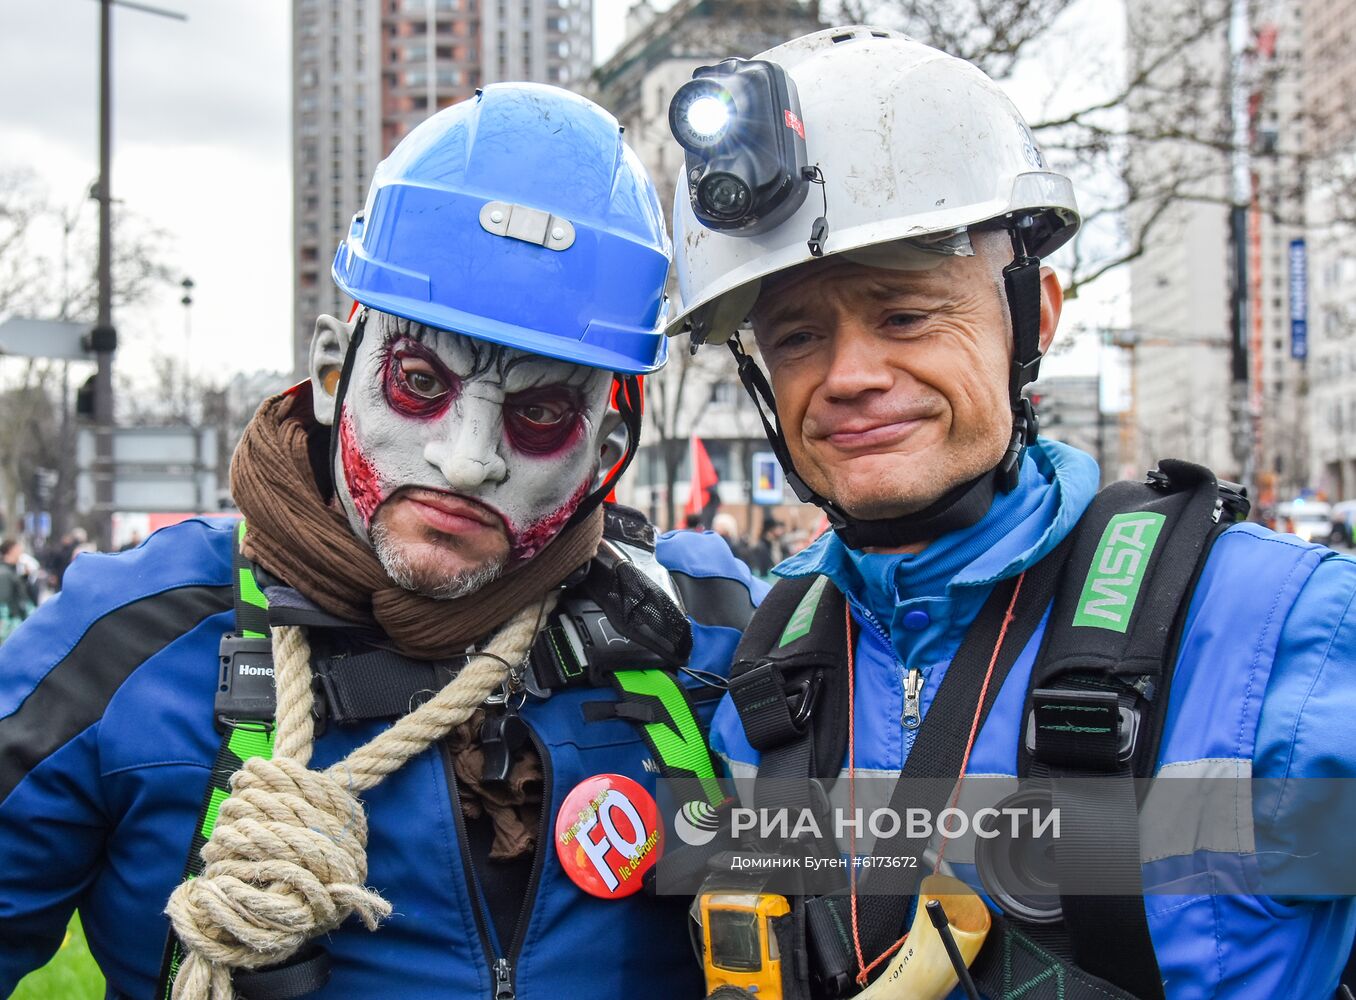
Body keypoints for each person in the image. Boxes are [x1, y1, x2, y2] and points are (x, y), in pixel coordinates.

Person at [0, 85, 764, 999]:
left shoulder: (708, 629)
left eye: (541, 413)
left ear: (606, 450)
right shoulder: (127, 638)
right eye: (417, 382)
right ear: (332, 375)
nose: (469, 458)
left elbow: (938, 883)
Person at [664, 27, 1356, 1000]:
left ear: (1036, 315)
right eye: (798, 336)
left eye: (905, 314)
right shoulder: (767, 669)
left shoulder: (1278, 631)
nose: (850, 375)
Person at [0, 538, 35, 639]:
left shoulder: (11, 571)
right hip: (10, 624)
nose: (20, 553)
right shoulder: (4, 573)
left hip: (15, 621)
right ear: (11, 551)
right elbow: (3, 601)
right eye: (18, 549)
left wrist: (24, 578)